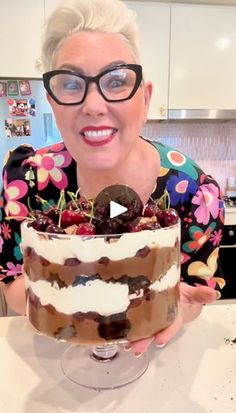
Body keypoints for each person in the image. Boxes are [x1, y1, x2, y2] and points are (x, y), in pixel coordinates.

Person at [0, 0, 224, 354]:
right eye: (71, 84)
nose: (93, 105)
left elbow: (195, 292)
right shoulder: (27, 180)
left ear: (145, 98)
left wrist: (177, 302)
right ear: (52, 102)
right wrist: (60, 296)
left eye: (116, 81)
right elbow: (11, 284)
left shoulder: (195, 193)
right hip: (53, 363)